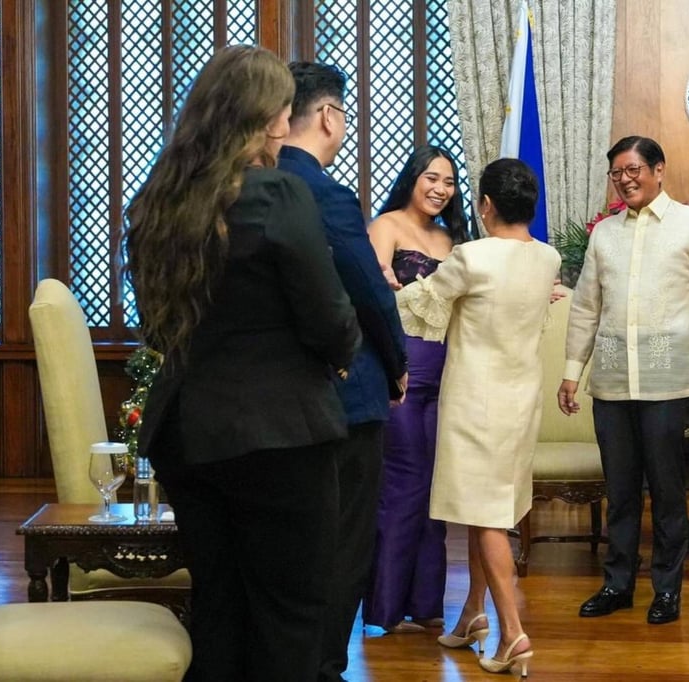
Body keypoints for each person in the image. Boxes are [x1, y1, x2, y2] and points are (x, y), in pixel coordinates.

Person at [124, 46, 361, 681]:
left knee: (220, 609)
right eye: (283, 110)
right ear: (268, 117)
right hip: (280, 433)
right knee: (289, 616)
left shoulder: (156, 203)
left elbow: (156, 325)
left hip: (188, 435)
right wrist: (339, 358)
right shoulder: (277, 193)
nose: (286, 124)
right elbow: (330, 316)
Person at [558, 135, 689, 625]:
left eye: (634, 169)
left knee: (666, 489)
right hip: (613, 380)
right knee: (619, 489)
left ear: (659, 170)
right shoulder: (605, 234)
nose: (626, 179)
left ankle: (667, 589)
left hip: (667, 380)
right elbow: (584, 309)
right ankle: (617, 584)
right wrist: (571, 372)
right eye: (617, 172)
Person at [397, 158, 560, 677]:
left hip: (475, 401)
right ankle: (473, 615)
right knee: (487, 507)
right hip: (520, 400)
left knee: (485, 516)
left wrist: (383, 283)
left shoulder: (472, 256)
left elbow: (420, 309)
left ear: (485, 206)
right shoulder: (549, 258)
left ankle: (512, 633)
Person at [276, 61, 409, 682]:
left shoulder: (248, 182)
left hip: (276, 397)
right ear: (329, 116)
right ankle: (324, 666)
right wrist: (399, 365)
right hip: (346, 393)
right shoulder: (321, 192)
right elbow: (370, 294)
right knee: (345, 541)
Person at [363, 145, 470, 635]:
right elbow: (371, 296)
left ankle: (425, 607)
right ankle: (383, 610)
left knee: (435, 492)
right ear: (412, 178)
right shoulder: (385, 226)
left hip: (448, 379)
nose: (440, 189)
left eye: (448, 183)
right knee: (403, 486)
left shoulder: (452, 240)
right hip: (401, 378)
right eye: (431, 178)